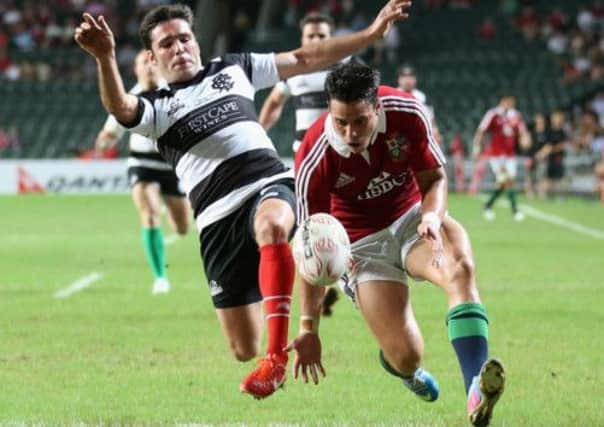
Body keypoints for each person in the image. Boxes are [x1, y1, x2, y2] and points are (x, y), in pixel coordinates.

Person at [74, 1, 412, 400]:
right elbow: (122, 107)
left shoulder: (234, 68)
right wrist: (106, 57)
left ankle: (277, 358)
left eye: (185, 38)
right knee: (241, 347)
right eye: (167, 44)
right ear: (151, 56)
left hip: (268, 184)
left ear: (196, 42)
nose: (179, 47)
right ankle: (311, 287)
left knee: (271, 226)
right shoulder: (156, 108)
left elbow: (305, 57)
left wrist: (370, 34)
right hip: (217, 221)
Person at [288, 63, 505, 427]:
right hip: (361, 247)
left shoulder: (407, 112)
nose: (349, 132)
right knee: (407, 355)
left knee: (460, 270)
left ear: (377, 107)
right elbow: (312, 248)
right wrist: (308, 328)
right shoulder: (314, 156)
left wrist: (433, 216)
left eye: (358, 120)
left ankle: (474, 389)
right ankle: (402, 369)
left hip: (413, 219)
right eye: (340, 121)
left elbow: (435, 177)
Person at [258, 11, 347, 317]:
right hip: (304, 161)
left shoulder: (345, 70)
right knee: (307, 228)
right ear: (302, 40)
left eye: (322, 36)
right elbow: (273, 103)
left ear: (332, 38)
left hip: (340, 161)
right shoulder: (294, 73)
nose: (316, 41)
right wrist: (258, 134)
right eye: (311, 36)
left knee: (340, 225)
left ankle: (332, 282)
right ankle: (321, 288)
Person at [94, 50, 190, 295]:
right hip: (141, 163)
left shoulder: (173, 94)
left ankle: (171, 206)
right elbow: (110, 133)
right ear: (135, 69)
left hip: (170, 166)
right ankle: (160, 277)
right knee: (149, 214)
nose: (148, 66)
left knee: (182, 228)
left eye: (151, 62)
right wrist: (104, 141)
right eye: (142, 62)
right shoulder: (127, 98)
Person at [472, 94, 530, 221]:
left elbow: (522, 131)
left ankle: (487, 206)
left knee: (503, 183)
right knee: (507, 181)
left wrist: (525, 139)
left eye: (512, 102)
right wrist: (477, 147)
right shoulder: (493, 114)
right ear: (503, 101)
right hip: (496, 155)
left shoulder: (516, 115)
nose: (510, 105)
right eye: (508, 102)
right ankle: (515, 211)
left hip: (510, 155)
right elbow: (481, 130)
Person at [536, 110, 568, 199]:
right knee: (546, 177)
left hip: (558, 158)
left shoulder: (562, 132)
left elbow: (561, 145)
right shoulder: (549, 131)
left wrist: (550, 149)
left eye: (558, 118)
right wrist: (544, 152)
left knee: (559, 178)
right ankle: (543, 195)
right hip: (548, 158)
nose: (556, 120)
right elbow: (547, 145)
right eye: (555, 118)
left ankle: (559, 196)